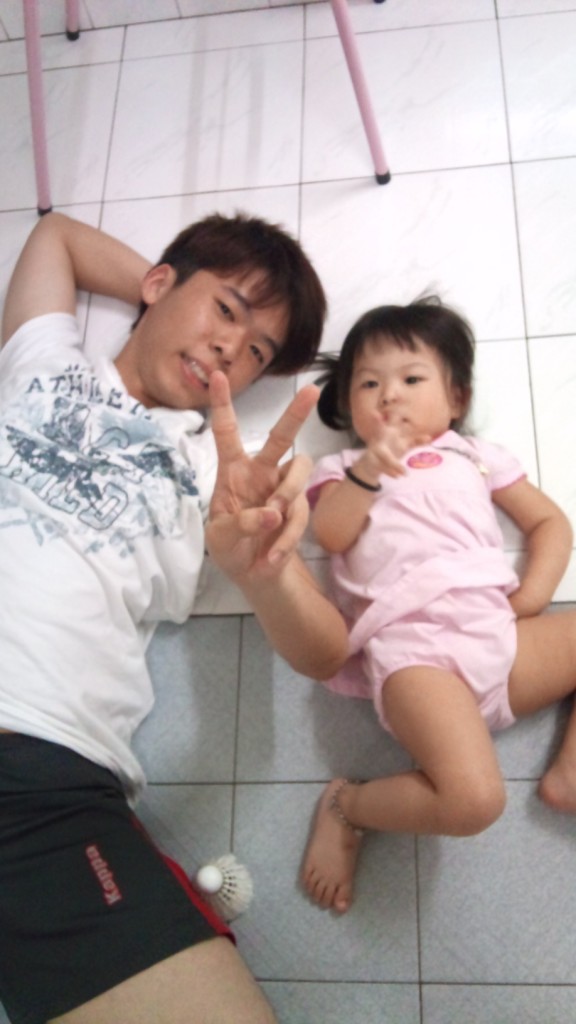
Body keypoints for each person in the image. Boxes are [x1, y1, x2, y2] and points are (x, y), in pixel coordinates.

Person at [0, 211, 349, 1024]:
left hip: (36, 782)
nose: (232, 349)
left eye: (257, 352)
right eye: (227, 310)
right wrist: (161, 290)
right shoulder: (44, 363)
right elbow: (55, 237)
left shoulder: (217, 474)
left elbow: (326, 651)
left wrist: (263, 570)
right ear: (158, 283)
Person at [301, 296, 576, 915]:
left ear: (456, 398)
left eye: (410, 379)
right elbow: (334, 535)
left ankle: (569, 774)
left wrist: (532, 596)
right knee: (475, 802)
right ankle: (346, 804)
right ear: (348, 405)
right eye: (368, 384)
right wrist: (370, 470)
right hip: (416, 653)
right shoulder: (342, 467)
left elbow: (550, 523)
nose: (389, 396)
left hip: (498, 636)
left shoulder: (476, 456)